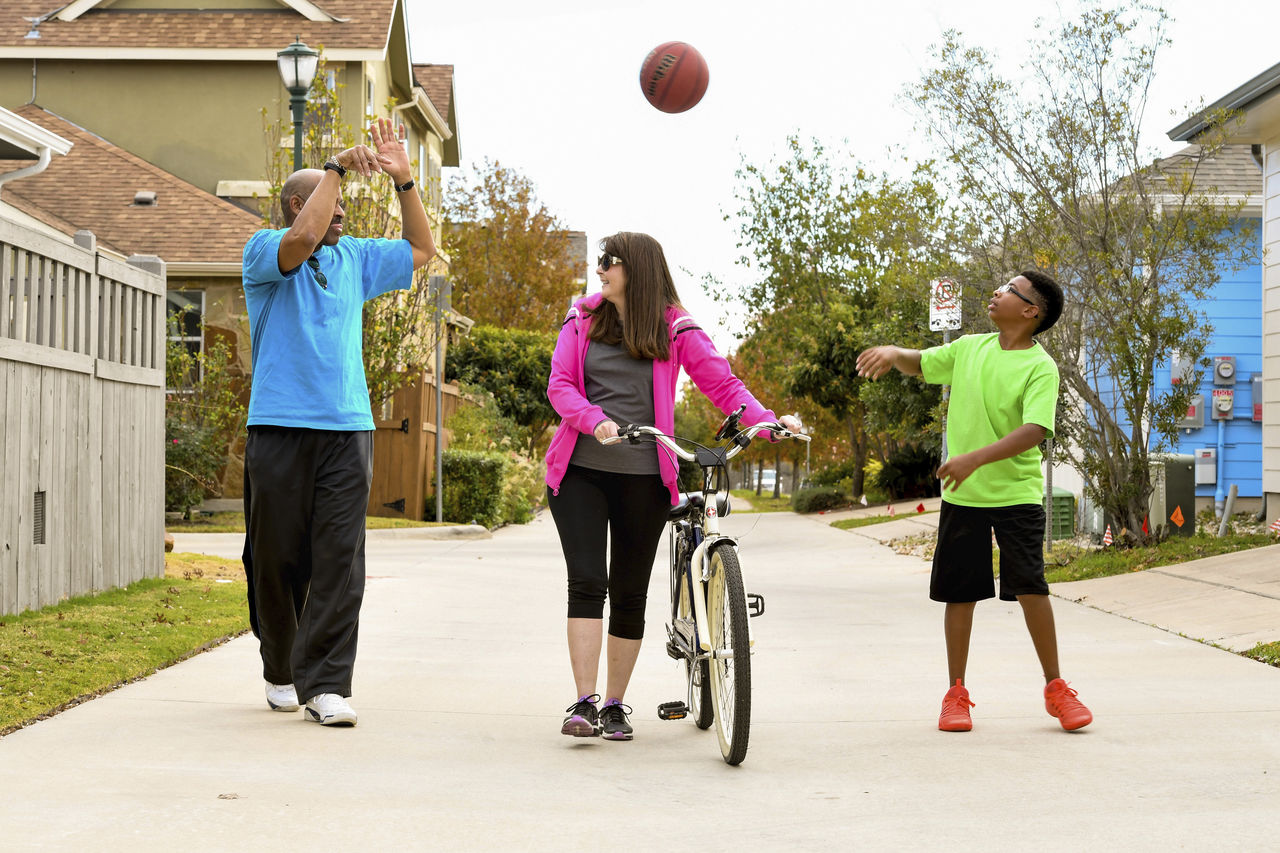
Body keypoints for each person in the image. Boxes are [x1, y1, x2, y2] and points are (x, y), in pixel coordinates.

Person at [545, 231, 800, 741]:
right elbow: (561, 386)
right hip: (580, 473)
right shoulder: (583, 319)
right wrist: (595, 421)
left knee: (630, 593)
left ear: (634, 268)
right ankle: (584, 702)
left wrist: (765, 421)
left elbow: (722, 383)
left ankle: (615, 705)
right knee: (589, 582)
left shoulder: (674, 327)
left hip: (644, 477)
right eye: (598, 262)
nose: (599, 271)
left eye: (608, 262)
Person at [239, 118, 435, 727]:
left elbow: (422, 251)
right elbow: (301, 241)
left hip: (348, 428)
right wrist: (338, 166)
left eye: (345, 204)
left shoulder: (354, 259)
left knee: (340, 558)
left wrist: (404, 180)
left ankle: (326, 685)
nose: (343, 214)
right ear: (302, 201)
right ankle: (280, 666)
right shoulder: (264, 249)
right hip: (278, 426)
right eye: (333, 202)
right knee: (274, 557)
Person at [855, 270, 1092, 733]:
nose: (997, 292)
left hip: (1016, 494)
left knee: (1030, 587)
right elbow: (920, 362)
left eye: (1009, 289)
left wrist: (974, 459)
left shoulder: (1040, 367)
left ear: (1030, 311)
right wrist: (892, 353)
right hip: (964, 496)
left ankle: (1056, 688)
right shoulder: (969, 348)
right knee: (960, 593)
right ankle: (956, 694)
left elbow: (1034, 431)